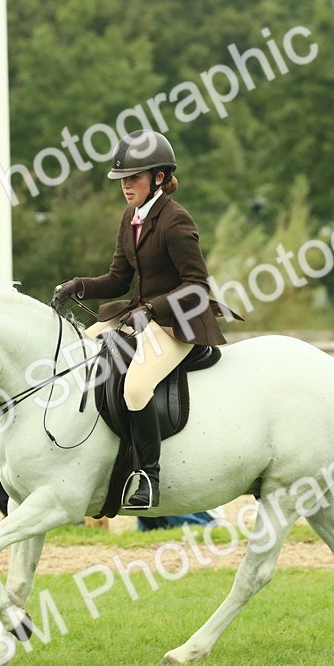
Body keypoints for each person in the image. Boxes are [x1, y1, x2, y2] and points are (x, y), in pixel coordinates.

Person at [54, 129, 242, 511]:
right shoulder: (130, 217)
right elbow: (119, 279)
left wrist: (154, 309)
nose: (126, 187)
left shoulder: (176, 221)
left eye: (133, 179)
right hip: (140, 315)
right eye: (122, 180)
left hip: (177, 323)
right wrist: (79, 286)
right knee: (82, 351)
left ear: (158, 177)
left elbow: (196, 285)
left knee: (137, 387)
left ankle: (147, 478)